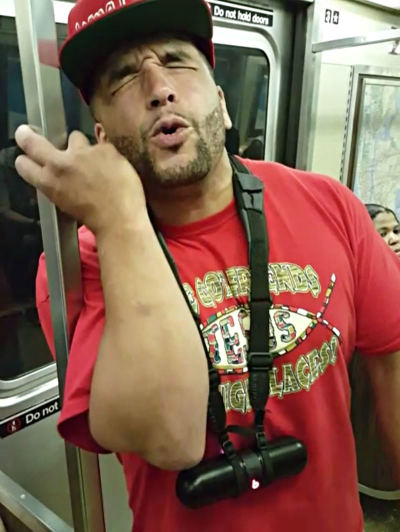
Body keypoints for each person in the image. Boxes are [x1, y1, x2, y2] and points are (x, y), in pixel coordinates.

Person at [13, 0, 400, 531]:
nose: (158, 87)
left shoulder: (328, 204)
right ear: (101, 139)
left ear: (221, 104)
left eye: (177, 60)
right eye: (125, 77)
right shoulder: (81, 262)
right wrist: (121, 214)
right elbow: (169, 437)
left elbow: (392, 363)